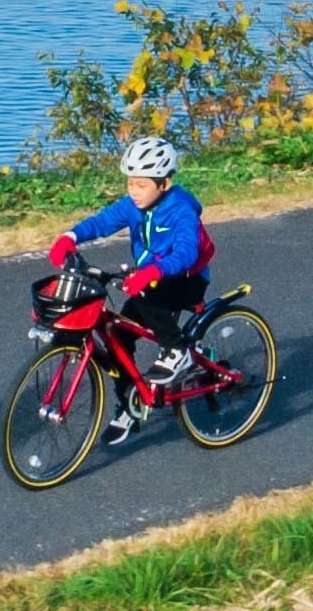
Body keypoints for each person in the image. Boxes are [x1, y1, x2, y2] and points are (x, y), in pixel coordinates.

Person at [53, 133, 210, 444]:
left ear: (164, 183)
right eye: (130, 183)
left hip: (186, 279)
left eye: (141, 185)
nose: (133, 191)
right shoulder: (133, 206)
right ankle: (130, 405)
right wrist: (70, 237)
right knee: (119, 337)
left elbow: (187, 251)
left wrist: (152, 270)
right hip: (150, 278)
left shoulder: (181, 209)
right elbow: (101, 222)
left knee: (145, 294)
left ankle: (178, 350)